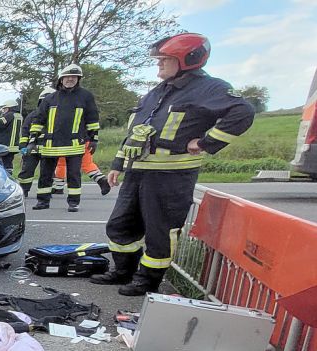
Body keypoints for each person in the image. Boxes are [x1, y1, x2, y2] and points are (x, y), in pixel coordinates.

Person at [90, 33, 254, 296]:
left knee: (160, 231)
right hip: (138, 172)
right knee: (120, 225)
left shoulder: (209, 88)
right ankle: (124, 271)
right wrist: (119, 163)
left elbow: (243, 113)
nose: (159, 65)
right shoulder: (158, 91)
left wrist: (205, 142)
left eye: (165, 60)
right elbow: (137, 131)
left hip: (171, 175)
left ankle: (147, 281)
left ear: (188, 59)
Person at [27, 64, 100, 212]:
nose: (70, 79)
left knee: (73, 175)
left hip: (74, 144)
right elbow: (38, 120)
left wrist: (94, 139)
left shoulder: (85, 96)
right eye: (67, 77)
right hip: (50, 144)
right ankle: (43, 201)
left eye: (74, 77)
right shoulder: (50, 98)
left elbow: (92, 118)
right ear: (61, 79)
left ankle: (73, 202)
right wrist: (32, 140)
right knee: (45, 175)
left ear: (78, 79)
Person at [16, 87, 55, 197]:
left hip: (49, 149)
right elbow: (25, 131)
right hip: (31, 149)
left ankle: (45, 194)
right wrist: (23, 146)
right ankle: (24, 191)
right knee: (26, 172)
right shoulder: (33, 115)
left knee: (46, 173)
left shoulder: (58, 117)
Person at [0, 99, 23, 174]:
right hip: (13, 146)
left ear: (9, 108)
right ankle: (9, 177)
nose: (3, 111)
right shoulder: (19, 116)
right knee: (8, 165)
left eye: (4, 109)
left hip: (3, 146)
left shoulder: (9, 115)